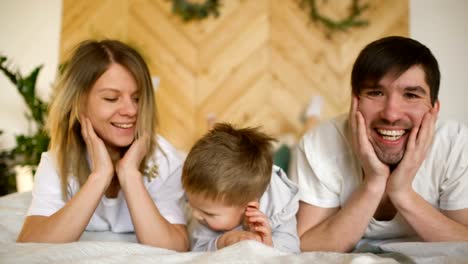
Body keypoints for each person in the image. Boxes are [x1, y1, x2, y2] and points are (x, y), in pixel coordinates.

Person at [293, 36, 468, 252]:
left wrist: (402, 192)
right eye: (376, 93)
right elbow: (308, 246)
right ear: (354, 101)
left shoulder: (455, 144)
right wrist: (373, 183)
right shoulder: (318, 143)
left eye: (411, 95)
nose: (391, 114)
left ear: (434, 109)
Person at [16, 39, 189, 251]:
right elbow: (30, 243)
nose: (131, 110)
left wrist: (130, 175)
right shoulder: (57, 161)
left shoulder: (164, 160)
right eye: (111, 98)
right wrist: (100, 176)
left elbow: (175, 247)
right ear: (78, 103)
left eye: (137, 98)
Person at [182, 123, 300, 253]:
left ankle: (288, 146)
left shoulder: (279, 208)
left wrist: (270, 244)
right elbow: (197, 250)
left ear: (249, 208)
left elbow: (293, 250)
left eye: (209, 213)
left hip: (274, 178)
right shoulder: (205, 207)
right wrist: (221, 242)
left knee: (286, 156)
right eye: (192, 205)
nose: (195, 214)